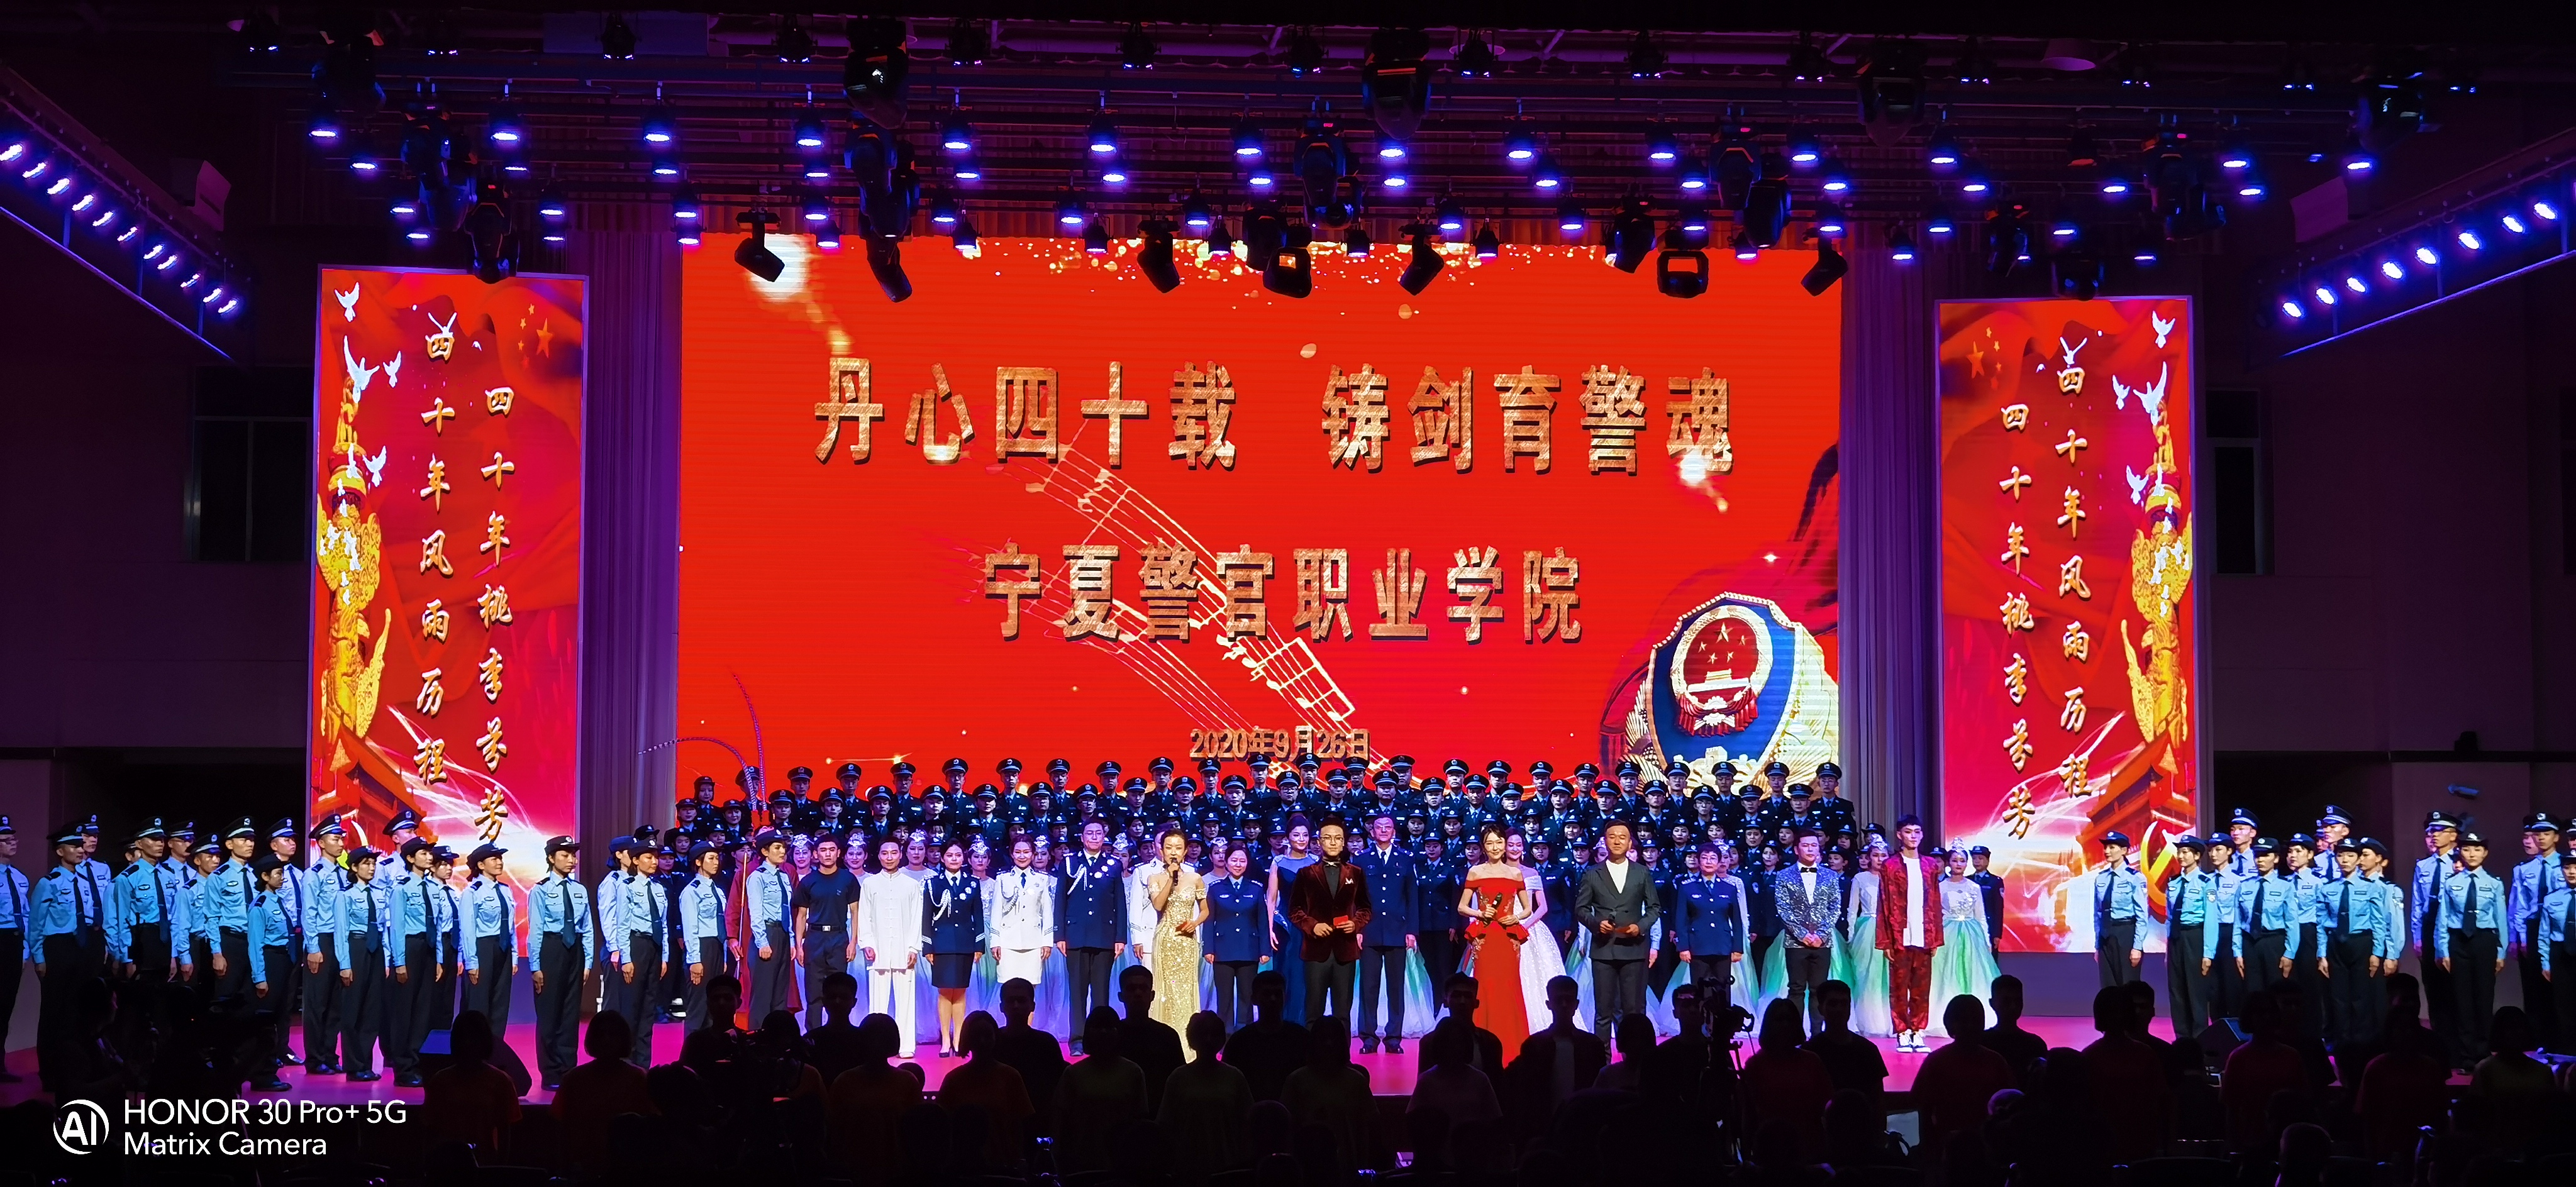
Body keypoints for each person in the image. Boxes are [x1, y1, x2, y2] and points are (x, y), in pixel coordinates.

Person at [1576, 820, 1660, 1037]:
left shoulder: (1642, 873)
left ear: (1630, 843)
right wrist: (1596, 924)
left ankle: (1633, 1054)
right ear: (1605, 841)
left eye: (1622, 837)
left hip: (1634, 949)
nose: (1617, 841)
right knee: (1603, 1011)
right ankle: (1601, 1057)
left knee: (1633, 1011)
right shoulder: (1592, 873)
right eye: (1612, 837)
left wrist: (1640, 926)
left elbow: (1654, 908)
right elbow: (1581, 909)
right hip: (1604, 950)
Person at [2433, 829, 2507, 1067]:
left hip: (2484, 941)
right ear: (2460, 852)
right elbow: (2443, 919)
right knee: (2461, 1000)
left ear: (2485, 853)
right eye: (2466, 849)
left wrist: (2501, 952)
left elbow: (2501, 919)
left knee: (2484, 998)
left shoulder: (2494, 883)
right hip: (2459, 942)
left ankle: (2483, 1053)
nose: (2472, 854)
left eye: (2477, 849)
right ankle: (2466, 1055)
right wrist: (2442, 950)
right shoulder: (2451, 883)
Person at [1458, 824, 1532, 1057]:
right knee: (1485, 987)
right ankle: (1482, 1046)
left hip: (1508, 938)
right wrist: (1480, 913)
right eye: (1490, 843)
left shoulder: (1515, 874)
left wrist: (1517, 917)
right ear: (1483, 847)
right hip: (1486, 937)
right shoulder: (1475, 872)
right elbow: (1461, 907)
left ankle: (1513, 1047)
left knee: (1509, 987)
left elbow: (1528, 909)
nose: (1495, 847)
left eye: (1499, 842)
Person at [551, 1012, 655, 1176]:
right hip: (584, 1169)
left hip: (626, 1170)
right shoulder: (573, 1080)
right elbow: (559, 1130)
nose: (606, 1039)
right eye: (601, 1034)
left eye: (612, 1034)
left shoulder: (638, 1079)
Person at [1287, 819, 1369, 1025]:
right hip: (1316, 951)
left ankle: (1342, 1048)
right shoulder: (1306, 874)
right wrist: (1312, 925)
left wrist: (1356, 924)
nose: (1333, 842)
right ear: (1319, 842)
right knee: (1313, 1012)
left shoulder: (1356, 873)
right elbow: (1294, 910)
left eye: (1338, 838)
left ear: (1344, 843)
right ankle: (1311, 1048)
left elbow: (1366, 908)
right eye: (1328, 838)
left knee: (1343, 1014)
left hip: (1345, 951)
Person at [1051, 1007, 1149, 1174]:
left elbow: (1141, 1120)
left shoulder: (1133, 1073)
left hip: (1123, 1162)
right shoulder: (1073, 1074)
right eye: (1098, 1027)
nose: (1103, 1032)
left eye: (1109, 1027)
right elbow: (1059, 1120)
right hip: (1080, 1160)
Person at [1057, 820, 1128, 1053]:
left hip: (1104, 936)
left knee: (1101, 993)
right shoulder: (1069, 862)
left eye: (1099, 833)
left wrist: (1120, 937)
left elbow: (1120, 903)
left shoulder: (1113, 864)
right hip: (1075, 935)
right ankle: (1077, 1040)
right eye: (1090, 833)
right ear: (1082, 837)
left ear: (1104, 836)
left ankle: (1100, 1039)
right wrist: (1060, 934)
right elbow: (1060, 900)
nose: (1095, 837)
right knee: (1077, 992)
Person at [1161, 1011, 1255, 1185]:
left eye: (1213, 1034)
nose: (1208, 1040)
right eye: (1203, 1034)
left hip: (1226, 1168)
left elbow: (1248, 1124)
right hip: (1192, 1169)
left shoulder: (1234, 1077)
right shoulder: (1178, 1078)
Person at [1282, 1014, 1382, 1173]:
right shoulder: (1297, 1081)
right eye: (1324, 1038)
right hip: (1317, 1169)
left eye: (1333, 1038)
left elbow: (1367, 1129)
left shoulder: (1297, 1079)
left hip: (1339, 1169)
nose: (1328, 1044)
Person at [1876, 816, 1943, 1052]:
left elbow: (1935, 902)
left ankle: (1918, 1030)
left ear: (1922, 835)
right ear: (1899, 835)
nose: (1913, 836)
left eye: (1917, 832)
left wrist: (1935, 938)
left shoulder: (1930, 866)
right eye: (1908, 832)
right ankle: (1902, 1031)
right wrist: (1885, 941)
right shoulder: (1890, 866)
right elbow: (1883, 904)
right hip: (1899, 936)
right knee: (1898, 987)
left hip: (1924, 935)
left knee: (1921, 987)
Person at [1352, 814, 1417, 1053]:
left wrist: (1412, 931)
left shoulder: (1406, 859)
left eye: (1387, 827)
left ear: (1394, 832)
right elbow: (1355, 898)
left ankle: (1393, 1038)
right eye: (1379, 827)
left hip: (1397, 931)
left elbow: (1412, 898)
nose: (1383, 830)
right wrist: (1357, 928)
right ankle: (1368, 1038)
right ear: (1372, 832)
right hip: (1369, 931)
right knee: (1368, 987)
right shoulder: (1361, 859)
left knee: (1396, 988)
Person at [940, 1010, 1036, 1170]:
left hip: (1003, 1163)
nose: (982, 1041)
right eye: (977, 1036)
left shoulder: (1010, 1077)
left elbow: (1021, 1126)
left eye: (987, 1035)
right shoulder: (954, 1080)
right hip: (965, 1165)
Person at [1741, 999, 1832, 1161]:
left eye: (1789, 1019)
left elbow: (1827, 1104)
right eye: (1779, 1019)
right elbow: (1748, 1116)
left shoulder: (1812, 1061)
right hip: (1769, 1150)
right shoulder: (1755, 1065)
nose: (1785, 1024)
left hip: (1810, 1147)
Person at [1504, 975, 1602, 1127]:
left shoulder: (1592, 1045)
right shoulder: (1534, 1045)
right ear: (1549, 1004)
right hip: (1545, 1126)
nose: (1564, 1005)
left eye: (1568, 1000)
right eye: (1559, 1000)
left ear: (1576, 1004)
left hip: (1581, 1126)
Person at [828, 1014, 924, 1167]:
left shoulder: (844, 1081)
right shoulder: (907, 1081)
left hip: (864, 1167)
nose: (877, 1044)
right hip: (890, 1167)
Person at [857, 838, 923, 1052]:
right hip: (878, 950)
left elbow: (917, 918)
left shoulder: (911, 885)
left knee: (906, 1002)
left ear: (900, 855)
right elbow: (865, 916)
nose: (889, 857)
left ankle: (905, 1046)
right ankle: (877, 1046)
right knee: (878, 1004)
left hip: (905, 950)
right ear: (879, 856)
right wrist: (867, 943)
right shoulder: (870, 884)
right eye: (885, 853)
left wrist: (914, 947)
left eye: (893, 853)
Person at [1772, 831, 1841, 1032]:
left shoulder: (1830, 876)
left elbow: (1835, 907)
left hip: (1822, 942)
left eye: (1814, 845)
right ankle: (1795, 1034)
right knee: (1796, 989)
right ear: (1796, 849)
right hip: (1795, 943)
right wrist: (1802, 935)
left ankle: (1818, 1034)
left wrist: (1821, 934)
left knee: (1820, 990)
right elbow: (1783, 909)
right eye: (1805, 845)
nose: (1810, 849)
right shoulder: (1784, 876)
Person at [422, 1010, 521, 1151]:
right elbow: (431, 1131)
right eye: (464, 1039)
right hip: (451, 1160)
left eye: (473, 1039)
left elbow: (506, 1134)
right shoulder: (440, 1081)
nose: (468, 1044)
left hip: (482, 1160)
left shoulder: (501, 1082)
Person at [1143, 827, 1209, 1035]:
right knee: (1165, 989)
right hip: (1165, 940)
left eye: (1178, 848)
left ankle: (1188, 1038)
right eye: (1169, 847)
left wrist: (1195, 923)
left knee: (1186, 988)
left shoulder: (1195, 877)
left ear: (1185, 851)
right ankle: (1164, 1037)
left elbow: (1206, 910)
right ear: (1161, 851)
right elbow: (1158, 905)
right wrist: (1171, 878)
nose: (1173, 852)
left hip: (1187, 941)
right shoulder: (1154, 878)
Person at [1929, 846, 1999, 1035]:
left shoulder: (1974, 887)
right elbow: (1935, 916)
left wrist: (1986, 941)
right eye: (1954, 860)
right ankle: (1943, 1015)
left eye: (1962, 861)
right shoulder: (1941, 887)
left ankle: (1974, 1017)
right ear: (1948, 863)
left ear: (1967, 864)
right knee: (1946, 973)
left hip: (1971, 934)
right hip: (1947, 933)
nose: (1958, 864)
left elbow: (1981, 916)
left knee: (1971, 972)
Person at [924, 839, 985, 1056]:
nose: (954, 859)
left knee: (960, 992)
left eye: (958, 855)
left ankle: (958, 1038)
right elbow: (926, 917)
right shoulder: (933, 884)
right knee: (944, 992)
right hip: (941, 944)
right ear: (942, 858)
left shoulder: (973, 883)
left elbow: (978, 916)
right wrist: (927, 946)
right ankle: (945, 1040)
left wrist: (979, 945)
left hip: (965, 943)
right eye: (950, 855)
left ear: (964, 858)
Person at [613, 841, 669, 1067]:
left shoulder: (658, 888)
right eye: (649, 857)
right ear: (636, 860)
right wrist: (626, 959)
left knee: (648, 1008)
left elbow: (663, 924)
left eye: (656, 857)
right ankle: (626, 1062)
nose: (654, 862)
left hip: (654, 948)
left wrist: (664, 957)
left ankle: (644, 1064)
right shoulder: (626, 886)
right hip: (636, 945)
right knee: (631, 1007)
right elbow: (622, 925)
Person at [991, 977, 1068, 1129]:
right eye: (1011, 1001)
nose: (1016, 1006)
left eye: (1021, 1001)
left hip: (1039, 1122)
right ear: (1002, 1007)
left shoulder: (1047, 1044)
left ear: (1032, 1006)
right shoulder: (993, 1043)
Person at [1220, 969, 1308, 1103]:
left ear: (1285, 998)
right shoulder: (1239, 1043)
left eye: (1277, 994)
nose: (1273, 999)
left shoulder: (1302, 1039)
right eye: (1267, 994)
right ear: (1254, 999)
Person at [1204, 842, 1266, 1028]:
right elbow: (1209, 921)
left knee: (1248, 996)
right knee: (1224, 999)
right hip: (1222, 950)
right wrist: (1208, 949)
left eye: (1242, 861)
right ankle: (1225, 1034)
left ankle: (1245, 1033)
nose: (1238, 864)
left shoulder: (1256, 888)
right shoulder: (1215, 888)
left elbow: (1262, 921)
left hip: (1249, 949)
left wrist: (1264, 950)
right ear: (1227, 861)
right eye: (1234, 860)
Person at [2163, 836, 2219, 1042]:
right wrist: (2168, 948)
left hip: (2195, 937)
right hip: (2176, 938)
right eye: (2179, 852)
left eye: (2186, 852)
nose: (2181, 856)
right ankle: (2181, 1039)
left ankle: (2199, 1040)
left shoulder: (2206, 883)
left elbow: (2211, 919)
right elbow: (2169, 917)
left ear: (2197, 856)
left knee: (2196, 992)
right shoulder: (2173, 883)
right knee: (2176, 991)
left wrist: (2208, 953)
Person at [1801, 980, 1886, 1114]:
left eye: (1844, 1004)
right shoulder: (1810, 1052)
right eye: (1833, 1004)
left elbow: (1878, 1101)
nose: (1839, 1009)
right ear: (1821, 1009)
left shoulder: (1868, 1050)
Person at [460, 842, 518, 1032]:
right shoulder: (472, 892)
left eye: (500, 859)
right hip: (483, 948)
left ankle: (496, 1045)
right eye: (494, 859)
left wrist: (514, 955)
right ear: (481, 865)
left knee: (500, 1004)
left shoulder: (506, 890)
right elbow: (468, 930)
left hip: (503, 948)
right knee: (479, 1004)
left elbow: (511, 926)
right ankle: (476, 1045)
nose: (499, 863)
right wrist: (472, 962)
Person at [743, 829, 797, 1026]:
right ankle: (758, 1036)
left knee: (780, 992)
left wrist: (791, 940)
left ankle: (777, 1036)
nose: (782, 851)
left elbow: (787, 910)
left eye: (783, 847)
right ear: (765, 851)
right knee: (763, 994)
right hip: (767, 933)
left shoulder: (784, 876)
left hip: (782, 933)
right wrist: (762, 942)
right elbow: (756, 913)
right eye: (777, 848)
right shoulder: (757, 877)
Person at [1117, 963, 1185, 1112]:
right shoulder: (1113, 1036)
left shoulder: (1168, 1036)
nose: (1138, 993)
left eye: (1143, 988)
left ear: (1152, 995)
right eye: (1132, 988)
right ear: (1121, 996)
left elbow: (1179, 1084)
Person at [679, 841, 731, 1032]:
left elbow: (722, 924)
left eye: (717, 858)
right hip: (701, 947)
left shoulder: (718, 890)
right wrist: (695, 960)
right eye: (711, 858)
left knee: (715, 1005)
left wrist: (723, 957)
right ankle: (691, 1047)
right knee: (698, 1005)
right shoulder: (691, 891)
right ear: (698, 862)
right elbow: (690, 927)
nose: (716, 862)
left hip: (717, 946)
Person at [2090, 831, 2147, 986]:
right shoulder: (2101, 878)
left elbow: (2142, 915)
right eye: (2106, 847)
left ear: (2124, 850)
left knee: (2128, 986)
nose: (2107, 851)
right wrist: (2098, 945)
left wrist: (2137, 947)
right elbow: (2098, 914)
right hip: (2105, 935)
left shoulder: (2135, 878)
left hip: (2126, 933)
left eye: (2112, 847)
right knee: (2108, 988)